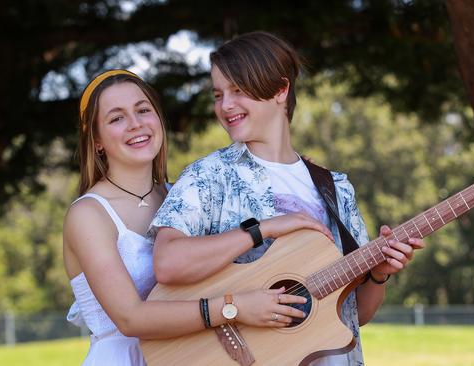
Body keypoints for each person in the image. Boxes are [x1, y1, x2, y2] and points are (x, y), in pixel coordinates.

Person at [150, 31, 425, 365]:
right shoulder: (209, 176)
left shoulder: (336, 188)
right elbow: (167, 262)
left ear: (281, 90)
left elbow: (356, 315)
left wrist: (379, 273)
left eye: (238, 90)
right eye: (218, 94)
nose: (225, 106)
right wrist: (263, 229)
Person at [63, 69, 315, 366]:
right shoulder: (88, 214)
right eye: (117, 118)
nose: (135, 124)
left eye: (143, 110)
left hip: (192, 356)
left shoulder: (184, 197)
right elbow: (130, 318)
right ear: (96, 141)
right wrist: (234, 308)